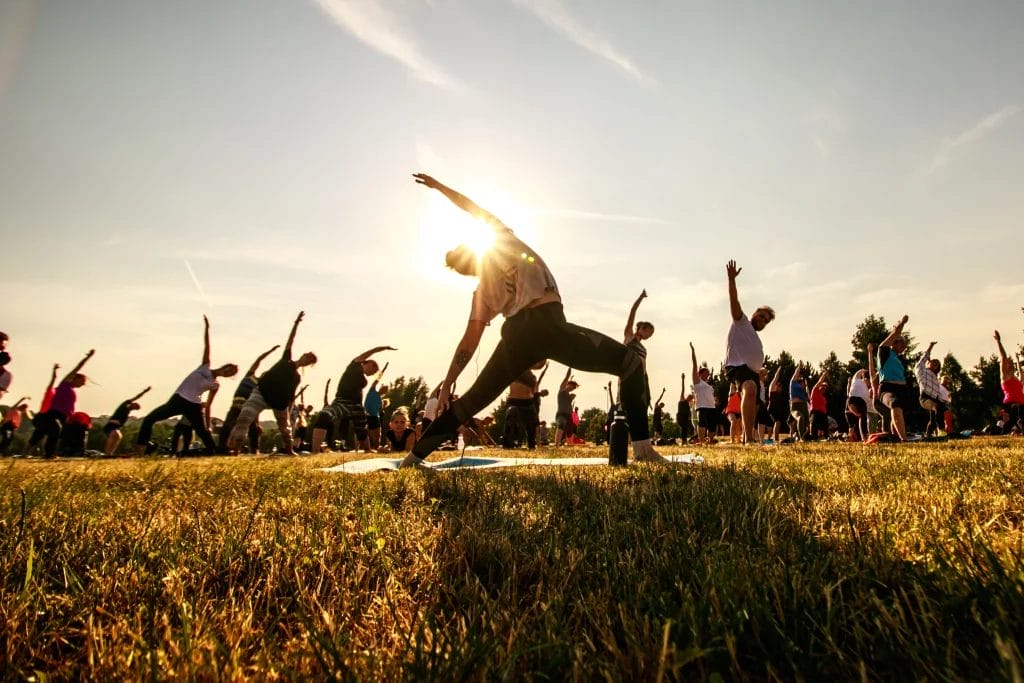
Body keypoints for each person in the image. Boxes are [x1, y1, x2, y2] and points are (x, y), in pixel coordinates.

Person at [399, 173, 665, 467]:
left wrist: (449, 383)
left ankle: (412, 460)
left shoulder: (483, 287)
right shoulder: (502, 240)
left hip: (519, 336)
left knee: (472, 401)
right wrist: (440, 187)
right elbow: (472, 208)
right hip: (547, 325)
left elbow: (470, 340)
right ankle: (643, 450)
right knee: (630, 364)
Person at [136, 316, 238, 455]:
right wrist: (207, 328)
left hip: (194, 406)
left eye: (230, 373)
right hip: (178, 399)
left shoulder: (215, 385)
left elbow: (208, 405)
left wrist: (207, 421)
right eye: (229, 369)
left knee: (203, 432)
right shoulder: (205, 367)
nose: (228, 372)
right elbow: (207, 346)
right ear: (225, 366)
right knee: (149, 419)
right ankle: (141, 449)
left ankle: (214, 453)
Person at [227, 312, 317, 455]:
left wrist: (288, 411)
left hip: (278, 402)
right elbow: (290, 341)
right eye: (306, 356)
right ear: (303, 355)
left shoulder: (297, 377)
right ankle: (236, 450)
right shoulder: (286, 360)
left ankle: (289, 449)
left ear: (309, 364)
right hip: (262, 393)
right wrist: (296, 323)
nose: (306, 359)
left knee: (285, 428)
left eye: (309, 360)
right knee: (245, 417)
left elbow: (291, 397)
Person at [724, 260, 775, 444]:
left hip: (751, 371)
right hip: (736, 366)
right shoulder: (742, 322)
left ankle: (748, 435)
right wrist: (731, 280)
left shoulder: (756, 338)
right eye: (761, 316)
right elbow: (734, 302)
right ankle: (750, 439)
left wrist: (759, 369)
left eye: (766, 321)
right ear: (754, 314)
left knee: (753, 402)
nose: (762, 320)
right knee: (751, 389)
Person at [310, 345, 395, 453]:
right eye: (374, 370)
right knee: (324, 415)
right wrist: (383, 348)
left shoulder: (364, 379)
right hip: (341, 402)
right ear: (369, 364)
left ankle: (367, 449)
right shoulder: (354, 365)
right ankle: (315, 450)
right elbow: (368, 353)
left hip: (356, 405)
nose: (373, 374)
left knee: (361, 428)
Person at [27, 349, 95, 459]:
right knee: (52, 430)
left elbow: (69, 406)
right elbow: (78, 367)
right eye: (82, 382)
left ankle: (49, 452)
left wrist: (70, 417)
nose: (82, 385)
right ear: (75, 378)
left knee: (47, 432)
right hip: (53, 413)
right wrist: (87, 357)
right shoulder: (65, 383)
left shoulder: (72, 390)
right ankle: (48, 454)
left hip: (64, 416)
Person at [218, 343, 280, 453]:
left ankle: (254, 449)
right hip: (236, 406)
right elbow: (258, 361)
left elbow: (258, 403)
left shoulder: (261, 387)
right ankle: (222, 449)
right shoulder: (249, 376)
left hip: (249, 408)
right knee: (227, 427)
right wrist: (270, 351)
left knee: (254, 430)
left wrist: (257, 420)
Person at [877, 315, 911, 441]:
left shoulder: (897, 358)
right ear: (893, 343)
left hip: (901, 389)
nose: (905, 345)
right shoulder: (884, 351)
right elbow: (895, 333)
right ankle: (904, 440)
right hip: (887, 388)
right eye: (902, 342)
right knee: (895, 405)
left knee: (897, 412)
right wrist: (902, 323)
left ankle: (896, 438)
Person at [623, 289, 654, 417]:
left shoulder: (644, 349)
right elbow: (632, 312)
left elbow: (644, 370)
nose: (649, 336)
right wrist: (641, 297)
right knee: (626, 408)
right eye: (649, 332)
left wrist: (647, 391)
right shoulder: (629, 336)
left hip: (640, 380)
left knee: (640, 409)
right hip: (627, 378)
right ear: (642, 328)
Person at [503, 361, 545, 449]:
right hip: (513, 401)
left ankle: (531, 445)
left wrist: (540, 394)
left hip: (528, 403)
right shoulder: (514, 372)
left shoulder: (532, 377)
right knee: (510, 421)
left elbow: (533, 392)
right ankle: (507, 444)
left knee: (531, 426)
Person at [102, 386, 152, 456]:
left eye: (135, 409)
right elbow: (137, 397)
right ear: (132, 404)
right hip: (111, 425)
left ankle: (110, 453)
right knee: (115, 434)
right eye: (134, 407)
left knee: (119, 436)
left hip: (116, 426)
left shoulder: (127, 412)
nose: (133, 409)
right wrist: (144, 391)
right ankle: (107, 453)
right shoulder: (125, 405)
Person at [994, 330, 1024, 434]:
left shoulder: (1016, 379)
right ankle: (1004, 432)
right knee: (1017, 414)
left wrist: (1017, 360)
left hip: (1020, 403)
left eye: (1012, 363)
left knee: (1012, 423)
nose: (1010, 363)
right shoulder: (1005, 376)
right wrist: (999, 341)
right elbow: (1003, 356)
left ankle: (1008, 431)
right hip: (1011, 403)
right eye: (1009, 363)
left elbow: (1021, 374)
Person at [915, 341, 945, 437]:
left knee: (934, 418)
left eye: (937, 364)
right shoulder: (922, 370)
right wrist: (930, 346)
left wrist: (942, 402)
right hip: (925, 398)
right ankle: (941, 430)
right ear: (928, 363)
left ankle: (928, 434)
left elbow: (938, 393)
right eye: (934, 362)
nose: (934, 364)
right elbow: (924, 358)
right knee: (936, 407)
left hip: (935, 398)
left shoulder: (935, 379)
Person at [690, 342, 717, 446]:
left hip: (711, 407)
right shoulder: (697, 382)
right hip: (702, 406)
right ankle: (701, 442)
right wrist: (693, 351)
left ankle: (709, 441)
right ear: (700, 374)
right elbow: (694, 365)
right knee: (702, 424)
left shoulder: (708, 385)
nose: (708, 375)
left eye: (708, 374)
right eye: (706, 373)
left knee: (712, 426)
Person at [364, 362, 389, 451]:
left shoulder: (380, 401)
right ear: (380, 387)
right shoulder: (372, 391)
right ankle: (367, 448)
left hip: (375, 417)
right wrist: (384, 369)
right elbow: (377, 379)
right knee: (367, 434)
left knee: (378, 435)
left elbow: (380, 411)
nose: (385, 390)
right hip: (368, 416)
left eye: (386, 390)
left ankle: (375, 449)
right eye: (384, 388)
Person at [553, 367, 578, 447]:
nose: (572, 389)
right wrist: (570, 366)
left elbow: (567, 404)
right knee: (561, 424)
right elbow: (566, 377)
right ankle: (556, 445)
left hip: (569, 415)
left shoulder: (568, 394)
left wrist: (571, 399)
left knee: (570, 433)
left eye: (574, 389)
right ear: (568, 384)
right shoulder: (562, 389)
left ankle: (570, 445)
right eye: (572, 387)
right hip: (561, 414)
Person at [845, 369, 870, 442]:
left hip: (850, 402)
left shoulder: (856, 380)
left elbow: (857, 373)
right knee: (863, 417)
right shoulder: (866, 389)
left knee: (856, 421)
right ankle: (864, 437)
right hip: (859, 401)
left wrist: (863, 370)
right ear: (867, 380)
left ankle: (852, 437)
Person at [767, 367, 789, 443]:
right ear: (776, 386)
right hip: (772, 409)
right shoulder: (772, 388)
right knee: (777, 422)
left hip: (777, 410)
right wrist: (779, 370)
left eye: (781, 387)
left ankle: (772, 439)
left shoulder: (779, 394)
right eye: (779, 386)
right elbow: (775, 377)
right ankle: (775, 439)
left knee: (775, 424)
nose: (780, 388)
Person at [789, 365, 810, 440]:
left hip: (803, 405)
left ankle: (805, 436)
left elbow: (808, 398)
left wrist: (805, 387)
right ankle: (802, 438)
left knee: (807, 423)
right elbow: (796, 373)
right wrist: (799, 367)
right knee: (800, 418)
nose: (800, 377)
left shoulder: (802, 389)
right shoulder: (793, 383)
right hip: (795, 406)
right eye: (799, 376)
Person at [808, 372, 829, 440]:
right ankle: (813, 437)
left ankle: (826, 437)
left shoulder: (823, 397)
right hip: (815, 411)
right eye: (823, 386)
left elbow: (824, 407)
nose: (824, 388)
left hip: (823, 413)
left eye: (825, 387)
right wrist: (824, 375)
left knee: (825, 426)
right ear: (819, 386)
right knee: (814, 424)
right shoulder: (815, 391)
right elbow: (820, 381)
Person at [677, 373, 693, 444]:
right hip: (680, 416)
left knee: (685, 429)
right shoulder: (682, 399)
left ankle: (684, 441)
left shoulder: (689, 403)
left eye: (691, 398)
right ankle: (684, 441)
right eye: (689, 397)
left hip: (685, 417)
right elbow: (682, 389)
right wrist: (683, 379)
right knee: (684, 428)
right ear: (687, 396)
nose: (690, 398)